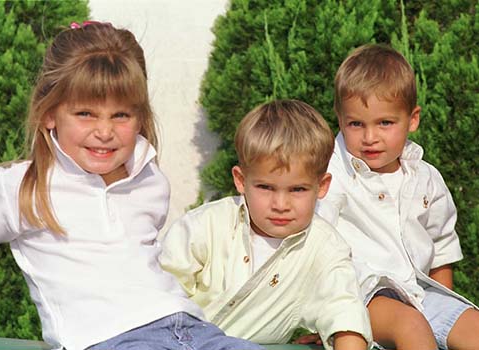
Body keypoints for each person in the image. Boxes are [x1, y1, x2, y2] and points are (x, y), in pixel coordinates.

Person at [0, 22, 266, 350]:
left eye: (120, 115)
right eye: (85, 113)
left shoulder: (149, 180)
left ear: (140, 118)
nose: (104, 131)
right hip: (109, 338)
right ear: (49, 114)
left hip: (190, 327)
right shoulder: (21, 186)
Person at [159, 99, 372, 350]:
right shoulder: (203, 227)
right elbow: (159, 293)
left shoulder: (325, 248)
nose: (280, 204)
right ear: (241, 180)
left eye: (297, 189)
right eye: (265, 187)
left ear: (322, 186)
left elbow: (344, 311)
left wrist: (343, 336)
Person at [316, 43, 479, 350]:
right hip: (359, 297)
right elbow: (312, 243)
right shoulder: (331, 175)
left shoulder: (425, 177)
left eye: (385, 123)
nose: (370, 137)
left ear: (412, 119)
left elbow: (441, 248)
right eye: (356, 124)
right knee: (411, 326)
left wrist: (441, 319)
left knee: (473, 328)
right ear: (340, 119)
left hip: (417, 293)